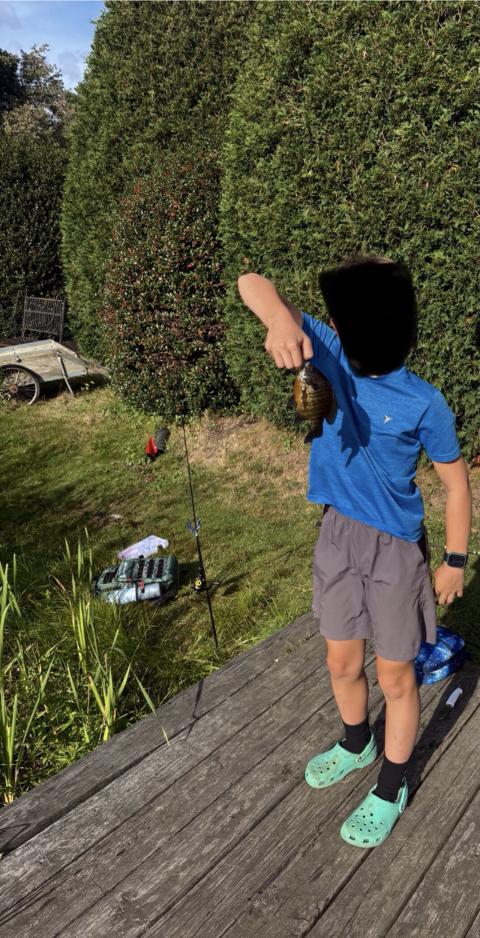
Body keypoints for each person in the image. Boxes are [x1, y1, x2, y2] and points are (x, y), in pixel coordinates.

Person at [237, 255, 472, 848]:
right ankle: (356, 741)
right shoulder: (330, 355)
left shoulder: (426, 402)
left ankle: (392, 784)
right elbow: (251, 282)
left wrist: (454, 560)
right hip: (337, 536)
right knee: (341, 662)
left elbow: (456, 485)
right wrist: (281, 321)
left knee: (396, 676)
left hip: (396, 552)